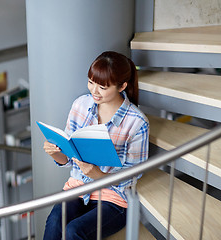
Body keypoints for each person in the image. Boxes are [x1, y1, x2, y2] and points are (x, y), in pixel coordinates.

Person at [42, 51, 149, 239]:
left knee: (74, 231)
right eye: (91, 82)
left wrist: (98, 175)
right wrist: (55, 153)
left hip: (114, 198)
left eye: (102, 87)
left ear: (122, 86)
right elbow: (68, 160)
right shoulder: (80, 105)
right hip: (78, 187)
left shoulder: (137, 122)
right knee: (54, 222)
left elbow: (133, 173)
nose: (94, 91)